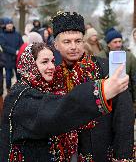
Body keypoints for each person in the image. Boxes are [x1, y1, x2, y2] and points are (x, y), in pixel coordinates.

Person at [0, 42, 128, 162]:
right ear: (30, 65)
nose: (51, 67)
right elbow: (58, 111)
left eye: (52, 61)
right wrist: (101, 92)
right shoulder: (20, 96)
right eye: (44, 62)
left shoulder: (43, 89)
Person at [52, 11, 135, 162]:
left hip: (102, 150)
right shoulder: (52, 74)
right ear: (56, 45)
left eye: (78, 41)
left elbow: (123, 114)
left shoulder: (104, 67)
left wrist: (122, 155)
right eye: (67, 42)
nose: (73, 47)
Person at [97, 27, 136, 113]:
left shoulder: (129, 57)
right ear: (108, 44)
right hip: (106, 99)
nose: (118, 44)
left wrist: (134, 101)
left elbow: (134, 79)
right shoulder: (99, 57)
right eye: (115, 42)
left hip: (125, 96)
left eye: (120, 41)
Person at [0, 18, 23, 94]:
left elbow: (21, 44)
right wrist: (14, 51)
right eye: (8, 24)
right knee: (8, 76)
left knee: (19, 75)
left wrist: (19, 51)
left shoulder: (17, 34)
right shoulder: (2, 35)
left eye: (11, 24)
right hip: (7, 58)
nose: (10, 25)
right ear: (5, 25)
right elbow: (4, 46)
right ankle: (8, 90)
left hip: (17, 58)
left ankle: (20, 90)